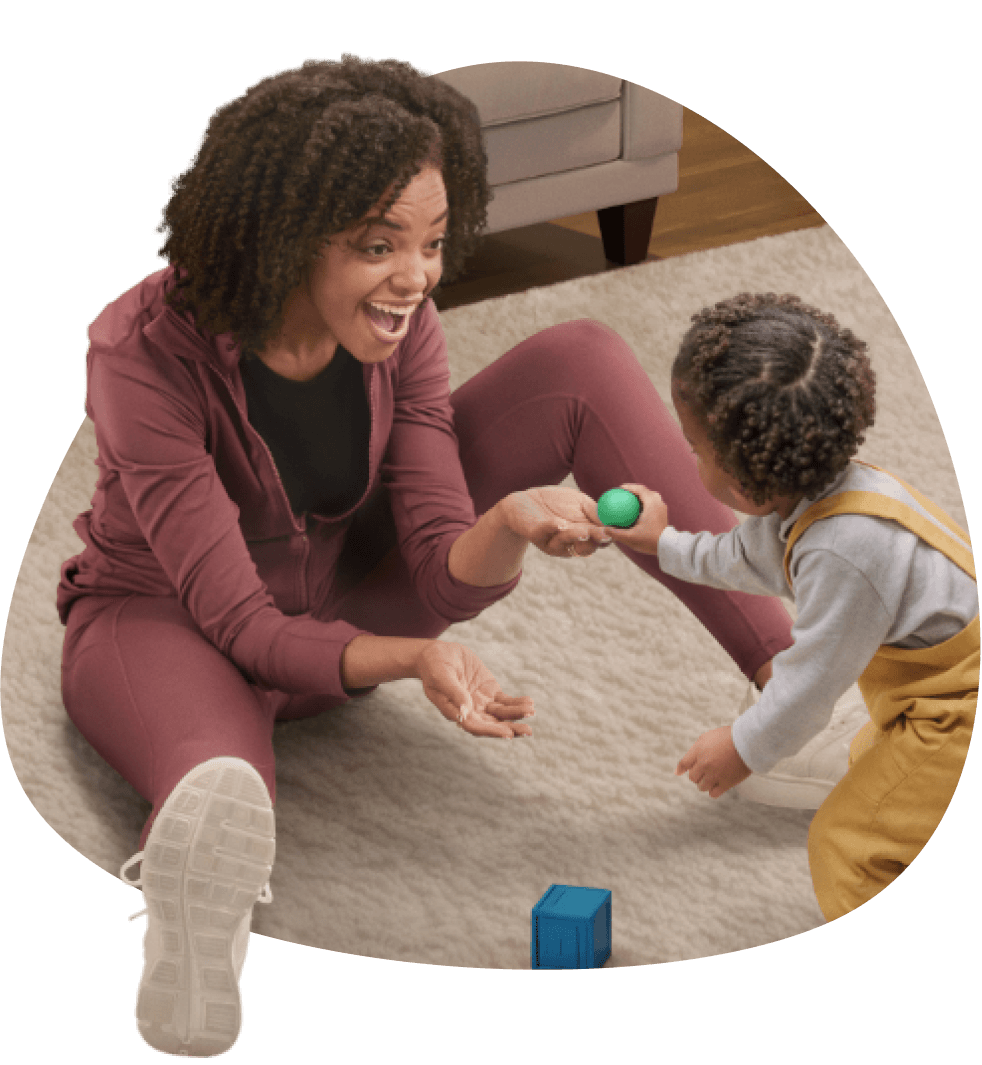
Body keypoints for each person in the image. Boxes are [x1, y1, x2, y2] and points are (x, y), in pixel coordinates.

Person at [58, 57, 797, 1056]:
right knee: (221, 785)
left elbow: (440, 559)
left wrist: (512, 525)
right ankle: (195, 931)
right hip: (172, 626)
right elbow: (243, 627)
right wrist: (409, 658)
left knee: (578, 359)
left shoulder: (397, 323)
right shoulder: (140, 351)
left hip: (341, 596)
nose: (416, 277)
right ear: (282, 234)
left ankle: (796, 690)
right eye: (378, 245)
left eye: (434, 242)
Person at [603, 292, 978, 921]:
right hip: (922, 708)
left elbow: (808, 688)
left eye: (694, 448)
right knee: (872, 771)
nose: (688, 455)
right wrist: (665, 542)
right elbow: (744, 557)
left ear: (746, 480)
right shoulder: (811, 493)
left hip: (954, 722)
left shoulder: (846, 552)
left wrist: (742, 747)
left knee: (848, 843)